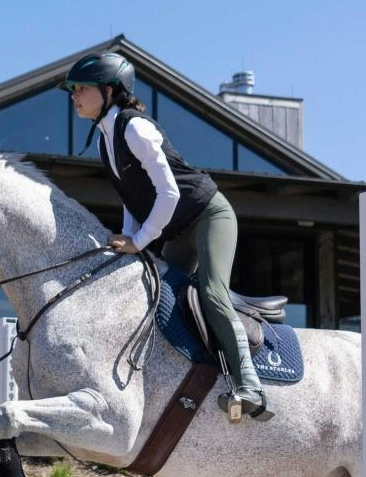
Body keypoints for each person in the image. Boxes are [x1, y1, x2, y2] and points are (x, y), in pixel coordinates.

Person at [61, 51, 271, 422]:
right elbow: (132, 197)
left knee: (211, 293)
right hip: (178, 229)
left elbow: (169, 193)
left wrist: (140, 241)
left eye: (81, 87)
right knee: (160, 298)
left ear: (109, 91)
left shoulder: (134, 128)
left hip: (209, 215)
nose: (74, 94)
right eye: (73, 89)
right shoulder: (104, 138)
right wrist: (128, 240)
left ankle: (250, 385)